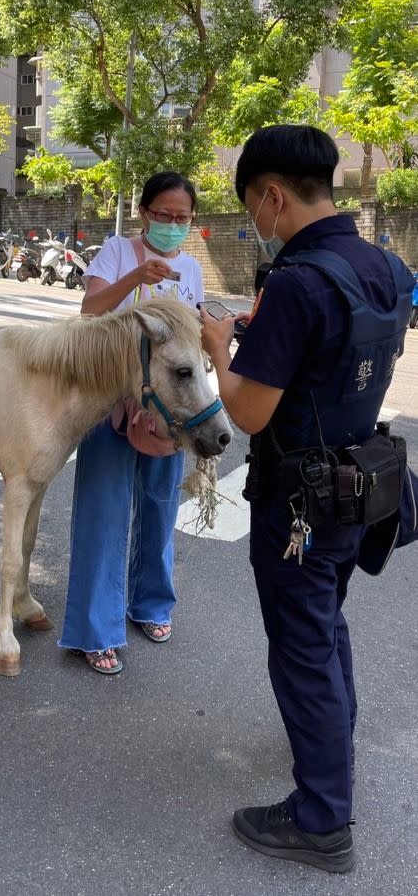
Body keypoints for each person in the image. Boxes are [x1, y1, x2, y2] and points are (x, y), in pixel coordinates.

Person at [201, 125, 413, 873]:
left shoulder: (295, 282)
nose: (254, 223)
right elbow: (347, 349)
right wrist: (275, 341)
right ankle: (334, 736)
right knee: (323, 623)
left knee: (301, 644)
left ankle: (322, 820)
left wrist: (222, 351)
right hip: (364, 483)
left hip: (300, 498)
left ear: (273, 195)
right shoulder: (386, 265)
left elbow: (250, 413)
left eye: (252, 208)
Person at [58, 171, 204, 674]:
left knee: (161, 508)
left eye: (181, 218)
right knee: (103, 511)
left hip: (168, 411)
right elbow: (89, 310)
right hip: (110, 401)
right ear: (144, 213)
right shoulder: (117, 252)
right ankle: (95, 630)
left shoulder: (191, 268)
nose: (171, 224)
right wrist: (134, 281)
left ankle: (151, 605)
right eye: (163, 214)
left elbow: (191, 336)